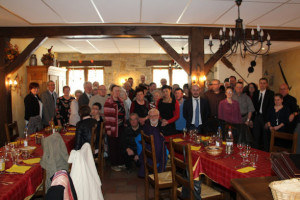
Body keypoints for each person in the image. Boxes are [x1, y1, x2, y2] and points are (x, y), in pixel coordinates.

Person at [138, 108, 168, 177]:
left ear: (158, 116)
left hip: (162, 147)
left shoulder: (163, 125)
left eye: (155, 115)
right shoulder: (145, 126)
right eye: (151, 116)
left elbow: (166, 137)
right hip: (149, 147)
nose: (153, 118)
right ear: (148, 117)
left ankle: (156, 167)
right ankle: (156, 168)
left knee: (165, 151)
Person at [104, 85, 126, 172]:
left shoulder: (120, 101)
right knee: (113, 146)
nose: (117, 92)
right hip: (112, 128)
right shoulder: (109, 101)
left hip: (120, 127)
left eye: (118, 91)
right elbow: (107, 117)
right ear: (112, 92)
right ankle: (114, 164)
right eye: (116, 91)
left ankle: (120, 162)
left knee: (120, 145)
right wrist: (108, 129)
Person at [252, 78, 275, 151]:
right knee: (255, 136)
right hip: (256, 117)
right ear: (259, 84)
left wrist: (268, 121)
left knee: (265, 138)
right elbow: (253, 106)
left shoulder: (270, 94)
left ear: (267, 84)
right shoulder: (256, 93)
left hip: (265, 118)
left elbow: (271, 108)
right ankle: (255, 152)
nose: (262, 85)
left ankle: (266, 155)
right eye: (261, 83)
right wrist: (252, 119)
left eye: (264, 83)